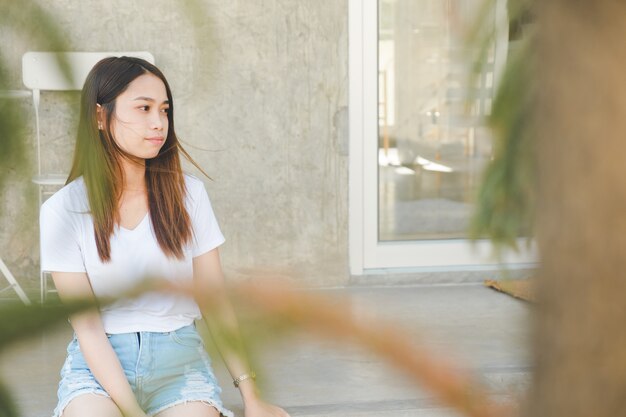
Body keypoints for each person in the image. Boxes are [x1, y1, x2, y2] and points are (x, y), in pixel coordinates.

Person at [39, 56, 290, 417]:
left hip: (180, 365)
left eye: (164, 110)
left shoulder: (189, 195)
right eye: (143, 108)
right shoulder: (63, 210)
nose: (158, 123)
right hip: (98, 368)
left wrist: (252, 398)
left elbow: (215, 302)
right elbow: (89, 329)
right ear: (99, 116)